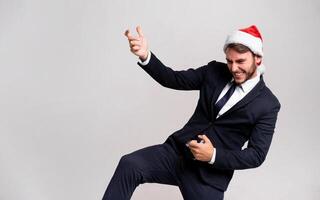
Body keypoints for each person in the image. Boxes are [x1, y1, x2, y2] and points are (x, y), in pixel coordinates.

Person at [102, 25, 281, 200]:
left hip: (208, 176)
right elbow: (173, 79)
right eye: (229, 61)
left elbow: (256, 155)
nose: (233, 68)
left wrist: (213, 155)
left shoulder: (268, 104)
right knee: (130, 164)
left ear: (257, 58)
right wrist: (145, 56)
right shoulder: (214, 72)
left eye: (240, 61)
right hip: (176, 154)